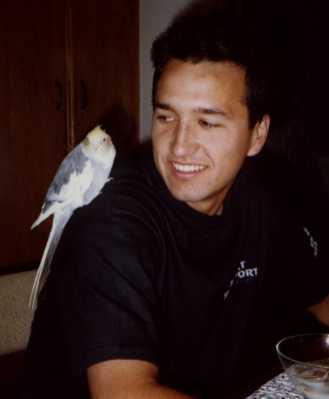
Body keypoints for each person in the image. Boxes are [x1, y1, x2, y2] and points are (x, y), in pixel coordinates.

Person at [19, 1, 329, 398]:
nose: (180, 147)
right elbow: (123, 393)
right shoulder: (114, 218)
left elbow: (321, 295)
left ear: (257, 134)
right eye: (166, 117)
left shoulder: (261, 200)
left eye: (207, 122)